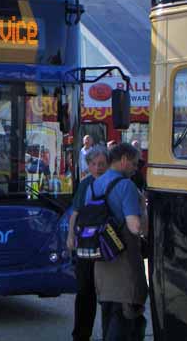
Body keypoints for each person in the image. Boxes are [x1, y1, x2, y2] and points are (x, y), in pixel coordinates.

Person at [91, 142, 148, 341]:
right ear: (123, 160)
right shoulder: (127, 186)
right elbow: (135, 227)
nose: (135, 168)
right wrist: (143, 207)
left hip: (101, 263)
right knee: (124, 323)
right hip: (124, 267)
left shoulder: (95, 183)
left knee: (108, 318)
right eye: (134, 164)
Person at [68, 146, 109, 341]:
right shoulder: (85, 185)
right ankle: (81, 335)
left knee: (108, 294)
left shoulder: (113, 183)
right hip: (86, 244)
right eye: (94, 164)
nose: (98, 167)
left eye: (102, 164)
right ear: (89, 165)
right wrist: (70, 237)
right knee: (85, 291)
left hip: (107, 245)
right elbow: (75, 213)